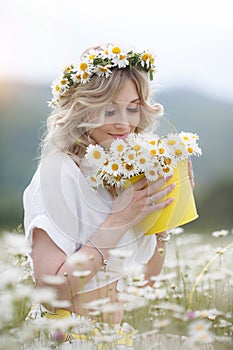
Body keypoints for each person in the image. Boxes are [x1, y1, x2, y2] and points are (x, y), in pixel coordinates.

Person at [23, 43, 194, 346]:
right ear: (82, 110)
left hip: (117, 338)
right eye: (109, 109)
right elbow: (51, 293)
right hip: (67, 338)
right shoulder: (58, 174)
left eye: (132, 107)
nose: (124, 123)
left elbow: (145, 286)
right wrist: (119, 218)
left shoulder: (123, 175)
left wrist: (163, 217)